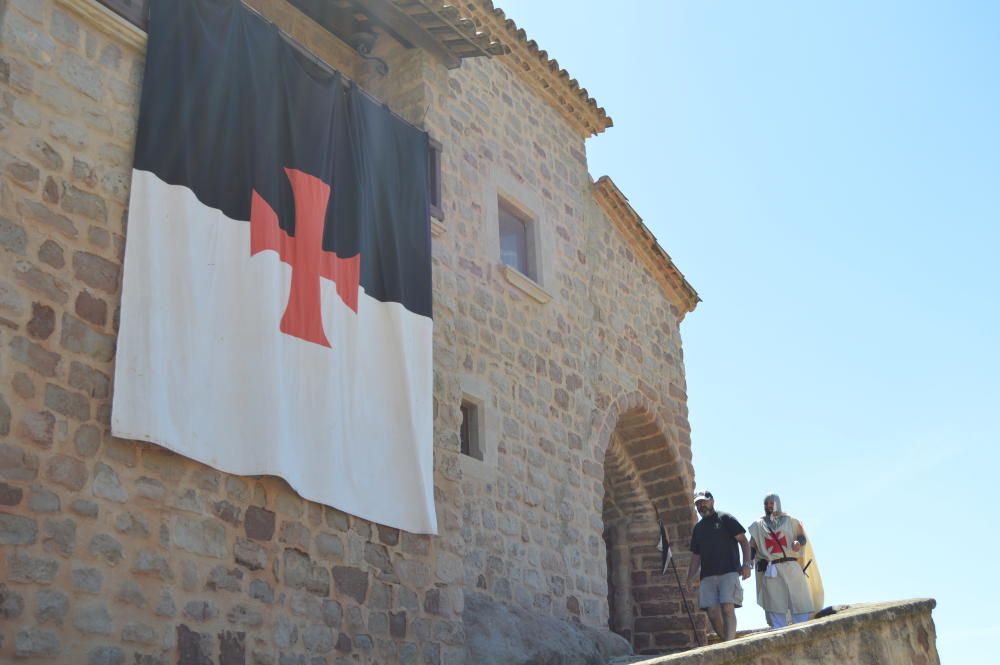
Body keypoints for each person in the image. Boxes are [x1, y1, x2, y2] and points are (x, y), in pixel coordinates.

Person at [684, 490, 752, 641]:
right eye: (698, 503)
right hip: (707, 576)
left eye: (704, 501)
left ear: (712, 501)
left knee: (728, 608)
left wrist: (747, 563)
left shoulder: (725, 518)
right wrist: (689, 578)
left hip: (729, 572)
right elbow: (696, 556)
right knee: (713, 614)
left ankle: (729, 645)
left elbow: (743, 541)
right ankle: (728, 643)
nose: (701, 505)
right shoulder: (698, 528)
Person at [747, 494, 822, 628]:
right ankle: (778, 630)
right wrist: (749, 560)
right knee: (774, 603)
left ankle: (802, 628)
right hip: (773, 569)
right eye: (766, 504)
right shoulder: (758, 525)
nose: (768, 506)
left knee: (799, 601)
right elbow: (752, 545)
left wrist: (798, 542)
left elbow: (801, 537)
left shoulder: (791, 521)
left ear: (778, 504)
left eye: (771, 503)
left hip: (791, 564)